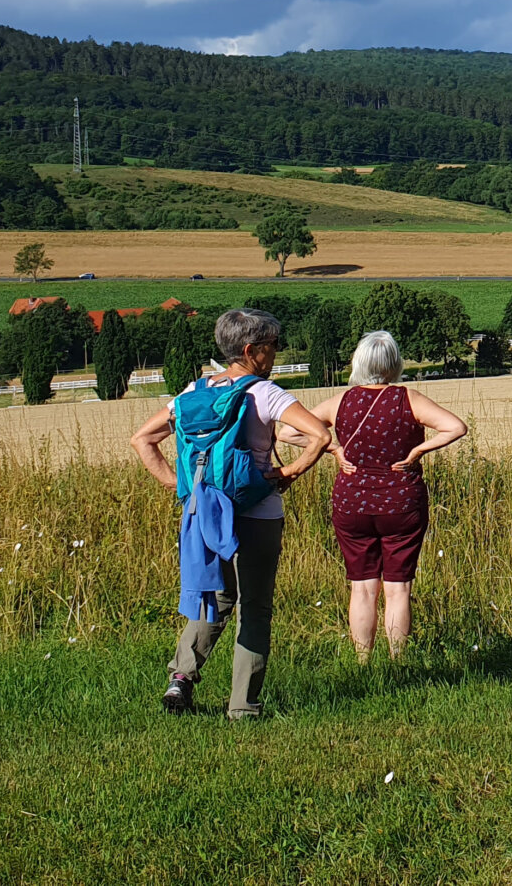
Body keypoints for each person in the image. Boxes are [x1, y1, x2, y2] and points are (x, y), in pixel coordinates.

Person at [130, 308, 332, 719]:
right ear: (250, 350)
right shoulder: (265, 393)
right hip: (256, 513)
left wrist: (180, 485)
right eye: (272, 345)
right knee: (254, 607)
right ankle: (243, 707)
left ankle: (180, 679)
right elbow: (320, 435)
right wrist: (288, 472)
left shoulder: (192, 392)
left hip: (203, 513)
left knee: (214, 597)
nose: (277, 352)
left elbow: (142, 439)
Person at [298, 329, 468, 660]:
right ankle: (397, 661)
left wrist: (332, 448)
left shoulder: (341, 401)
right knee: (398, 588)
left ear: (358, 362)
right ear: (395, 363)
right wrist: (418, 450)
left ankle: (363, 662)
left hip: (351, 503)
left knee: (361, 587)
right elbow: (456, 427)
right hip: (401, 503)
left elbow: (290, 430)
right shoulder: (409, 399)